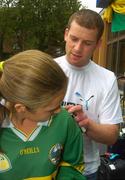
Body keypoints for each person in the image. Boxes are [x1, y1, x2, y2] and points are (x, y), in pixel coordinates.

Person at [55, 9, 123, 180]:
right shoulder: (47, 69)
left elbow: (112, 136)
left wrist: (86, 124)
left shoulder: (107, 79)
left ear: (98, 44)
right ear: (66, 34)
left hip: (86, 170)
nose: (78, 48)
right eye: (74, 39)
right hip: (45, 166)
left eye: (87, 43)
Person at [0, 50, 86, 180]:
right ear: (21, 108)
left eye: (60, 103)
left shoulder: (64, 121)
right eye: (51, 108)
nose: (59, 111)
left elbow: (73, 166)